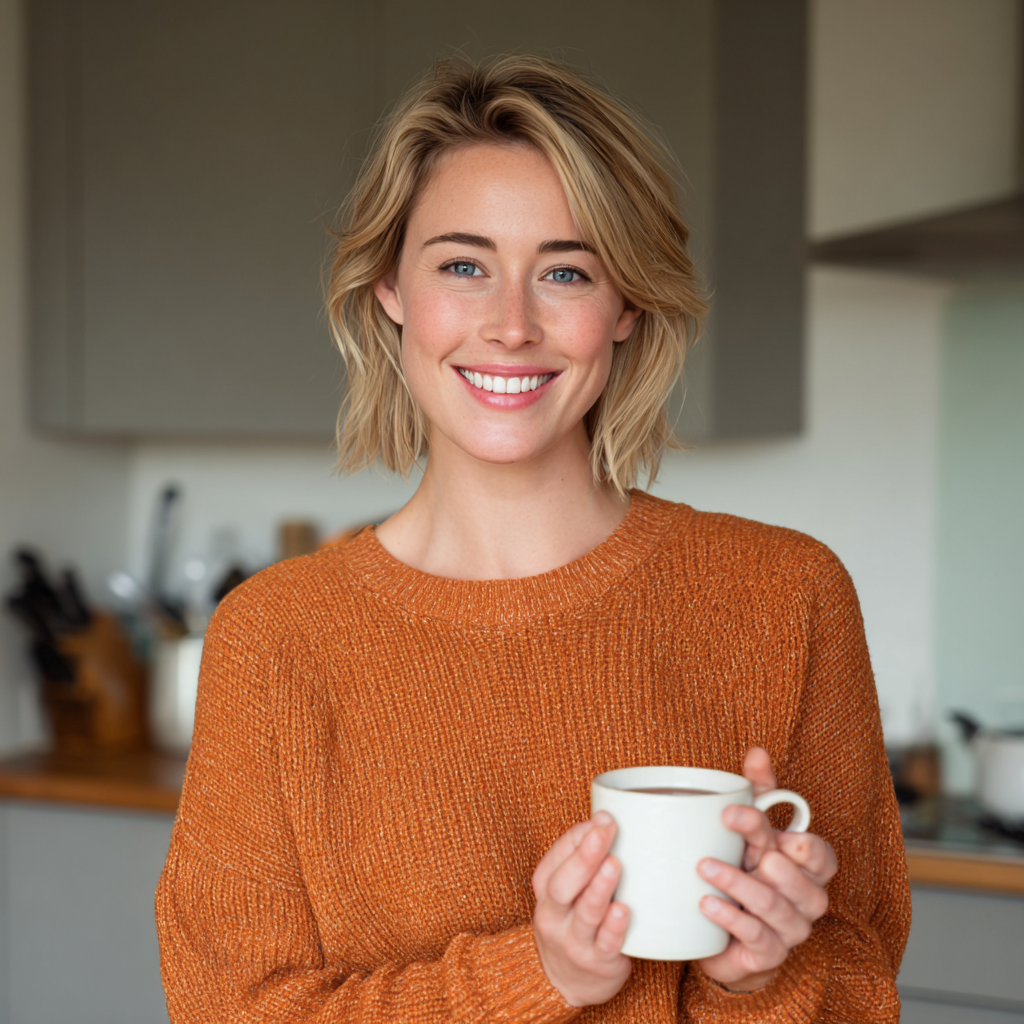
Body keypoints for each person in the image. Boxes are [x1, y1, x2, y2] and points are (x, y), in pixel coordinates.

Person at [156, 56, 909, 1023]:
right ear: (390, 287)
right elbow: (232, 1010)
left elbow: (861, 988)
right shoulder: (274, 638)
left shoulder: (786, 594)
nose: (511, 326)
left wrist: (756, 979)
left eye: (565, 272)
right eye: (463, 266)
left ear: (625, 305)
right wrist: (538, 977)